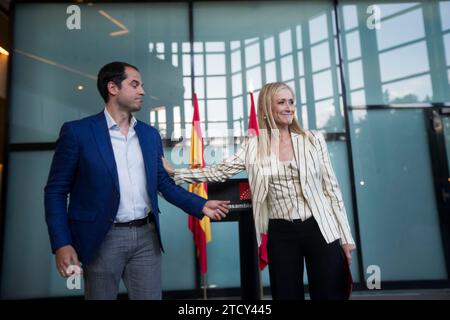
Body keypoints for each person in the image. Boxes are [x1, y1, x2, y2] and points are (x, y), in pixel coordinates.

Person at [44, 61, 229, 300]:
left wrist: (200, 205)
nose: (142, 90)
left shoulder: (149, 134)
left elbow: (163, 184)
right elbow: (56, 192)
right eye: (135, 84)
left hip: (146, 238)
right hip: (101, 238)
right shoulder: (78, 133)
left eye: (141, 85)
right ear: (113, 88)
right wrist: (62, 243)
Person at [163, 82, 356, 300]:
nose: (289, 107)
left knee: (329, 296)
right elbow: (220, 172)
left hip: (322, 229)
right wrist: (177, 174)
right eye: (281, 102)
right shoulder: (253, 147)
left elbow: (332, 189)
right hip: (280, 233)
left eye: (291, 102)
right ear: (267, 107)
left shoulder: (312, 139)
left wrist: (346, 238)